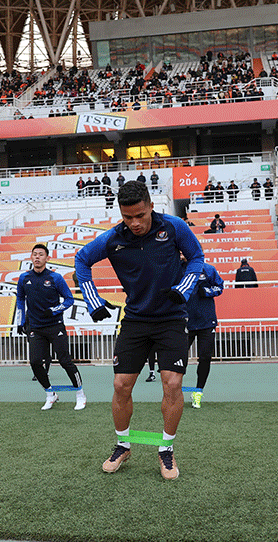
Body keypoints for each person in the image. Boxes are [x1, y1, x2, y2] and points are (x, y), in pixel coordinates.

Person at [74, 180, 204, 480]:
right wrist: (92, 299)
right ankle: (123, 445)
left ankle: (166, 449)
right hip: (135, 319)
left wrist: (183, 288)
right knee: (121, 386)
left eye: (140, 216)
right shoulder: (114, 238)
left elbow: (196, 257)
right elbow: (82, 260)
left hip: (172, 316)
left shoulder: (173, 227)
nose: (134, 223)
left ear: (150, 207)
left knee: (172, 385)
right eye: (127, 217)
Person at [15, 244, 85, 411]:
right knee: (35, 362)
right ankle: (50, 393)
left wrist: (53, 311)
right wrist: (20, 321)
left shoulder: (56, 278)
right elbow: (20, 300)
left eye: (41, 254)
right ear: (31, 258)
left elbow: (69, 299)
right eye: (34, 254)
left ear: (47, 258)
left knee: (64, 361)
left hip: (55, 326)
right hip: (36, 328)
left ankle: (80, 394)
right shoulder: (24, 278)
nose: (37, 257)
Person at [184, 257, 224, 409]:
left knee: (205, 357)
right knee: (178, 357)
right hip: (185, 321)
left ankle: (198, 392)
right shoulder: (177, 269)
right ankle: (175, 391)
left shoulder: (208, 269)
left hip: (207, 322)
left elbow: (220, 287)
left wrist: (206, 291)